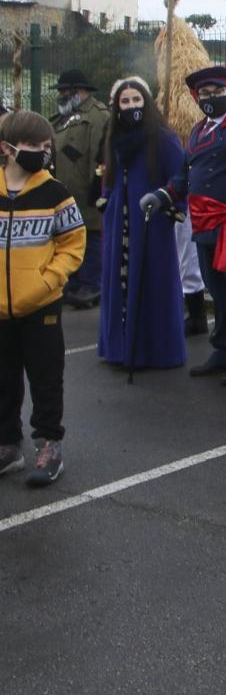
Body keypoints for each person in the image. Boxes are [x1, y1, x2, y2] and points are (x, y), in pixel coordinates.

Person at [151, 65, 226, 385]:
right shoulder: (197, 130)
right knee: (217, 289)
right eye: (204, 94)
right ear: (195, 97)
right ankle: (225, 349)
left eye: (217, 93)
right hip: (204, 226)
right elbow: (186, 175)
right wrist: (163, 195)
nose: (211, 98)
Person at [0, 109, 86, 486]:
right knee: (3, 380)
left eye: (45, 145)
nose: (41, 151)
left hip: (42, 305)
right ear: (7, 148)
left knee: (46, 377)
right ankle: (7, 445)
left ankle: (49, 444)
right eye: (32, 145)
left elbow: (72, 243)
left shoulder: (56, 193)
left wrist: (50, 279)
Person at [97, 77, 188, 370]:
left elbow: (180, 176)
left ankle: (157, 350)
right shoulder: (114, 138)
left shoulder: (163, 138)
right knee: (118, 281)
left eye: (137, 100)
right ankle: (120, 348)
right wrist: (107, 198)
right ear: (117, 106)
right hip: (118, 221)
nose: (131, 106)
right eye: (125, 102)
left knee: (154, 281)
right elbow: (110, 177)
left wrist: (166, 201)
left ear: (146, 103)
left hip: (151, 220)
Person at [50, 69, 110, 308]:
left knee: (92, 236)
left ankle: (92, 285)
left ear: (80, 91)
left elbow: (100, 155)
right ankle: (74, 283)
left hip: (87, 191)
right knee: (69, 237)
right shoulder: (63, 117)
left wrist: (96, 190)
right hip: (65, 191)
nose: (62, 95)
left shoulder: (97, 116)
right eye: (62, 91)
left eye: (66, 91)